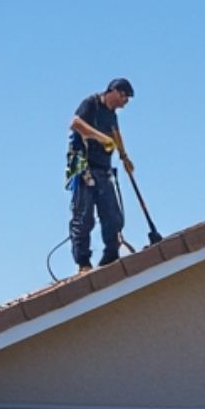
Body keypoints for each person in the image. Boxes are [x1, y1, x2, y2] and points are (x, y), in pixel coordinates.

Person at [65, 78, 134, 273]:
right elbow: (75, 123)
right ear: (114, 91)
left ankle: (111, 257)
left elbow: (116, 133)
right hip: (83, 167)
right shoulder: (91, 104)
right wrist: (100, 137)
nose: (125, 102)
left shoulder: (111, 114)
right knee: (84, 217)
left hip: (103, 168)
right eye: (124, 96)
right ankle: (83, 263)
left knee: (112, 215)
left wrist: (124, 156)